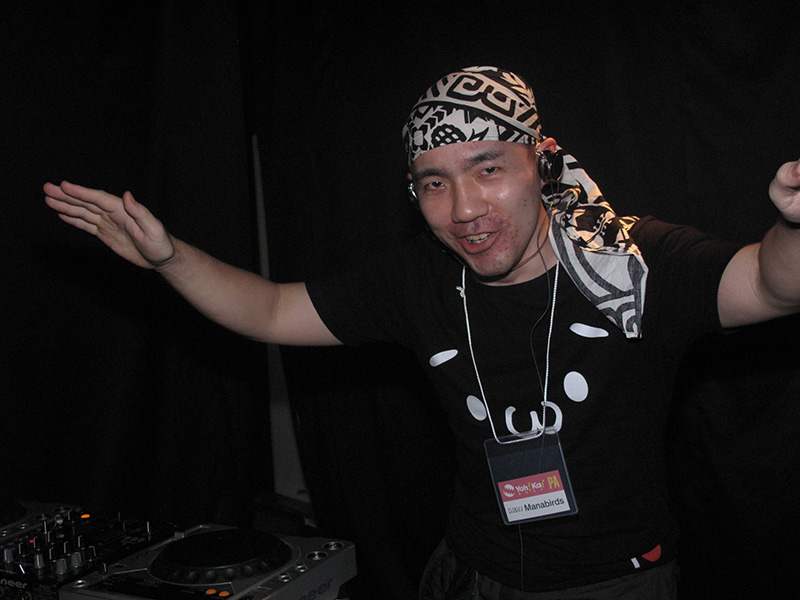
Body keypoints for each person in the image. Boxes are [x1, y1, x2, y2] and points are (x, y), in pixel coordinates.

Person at [44, 66, 800, 599]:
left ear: (542, 163)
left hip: (610, 584)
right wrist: (169, 258)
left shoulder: (632, 263)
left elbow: (770, 284)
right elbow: (272, 311)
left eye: (488, 168)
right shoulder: (421, 280)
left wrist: (794, 225)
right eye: (434, 183)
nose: (463, 208)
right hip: (466, 572)